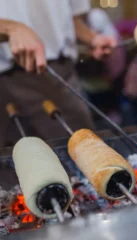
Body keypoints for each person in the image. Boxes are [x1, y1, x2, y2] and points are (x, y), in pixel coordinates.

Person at [0, 0, 117, 147]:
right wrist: (12, 28)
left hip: (62, 72)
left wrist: (92, 38)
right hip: (7, 77)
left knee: (87, 153)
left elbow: (70, 17)